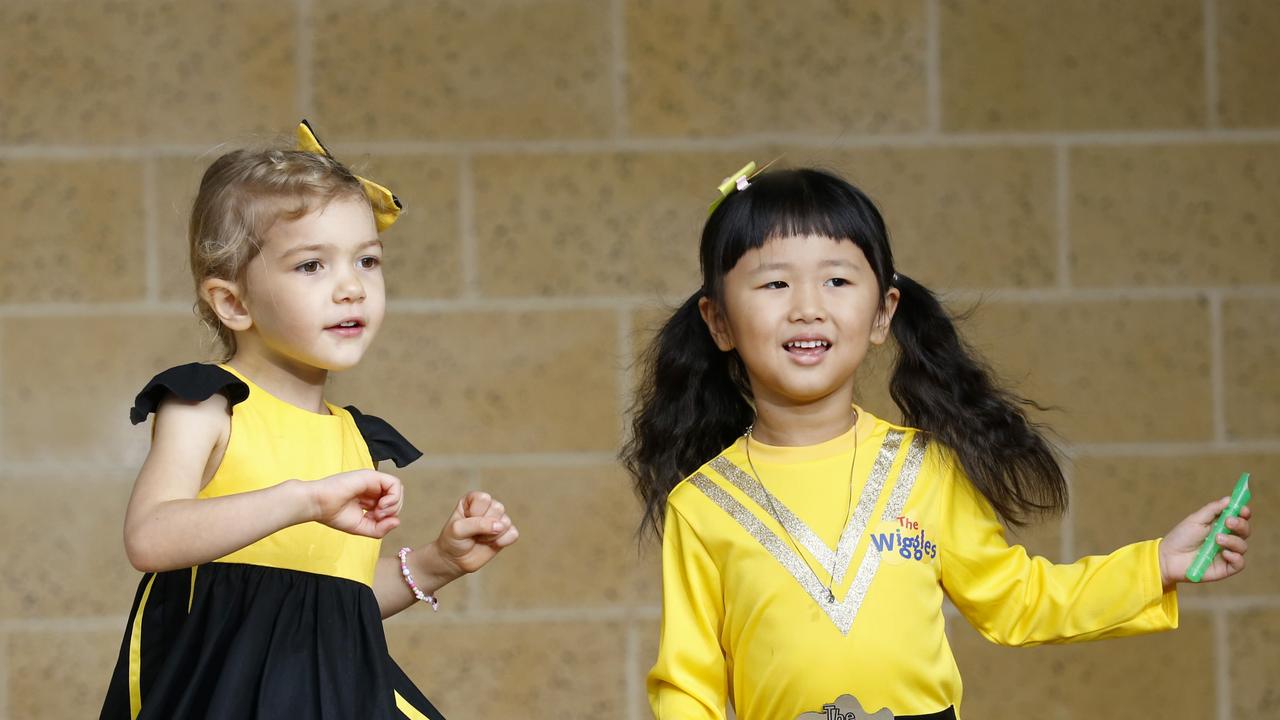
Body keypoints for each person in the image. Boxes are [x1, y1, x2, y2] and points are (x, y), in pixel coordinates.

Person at [622, 164, 1252, 719]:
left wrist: (1153, 567)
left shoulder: (925, 467)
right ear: (719, 320)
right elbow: (689, 685)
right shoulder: (701, 503)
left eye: (837, 281)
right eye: (774, 283)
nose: (808, 307)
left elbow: (1016, 602)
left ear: (882, 312)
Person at [100, 121, 518, 719]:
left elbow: (329, 606)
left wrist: (437, 563)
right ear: (233, 303)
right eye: (311, 266)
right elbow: (150, 538)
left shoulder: (354, 436)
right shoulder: (208, 404)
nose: (351, 287)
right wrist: (302, 500)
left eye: (367, 261)